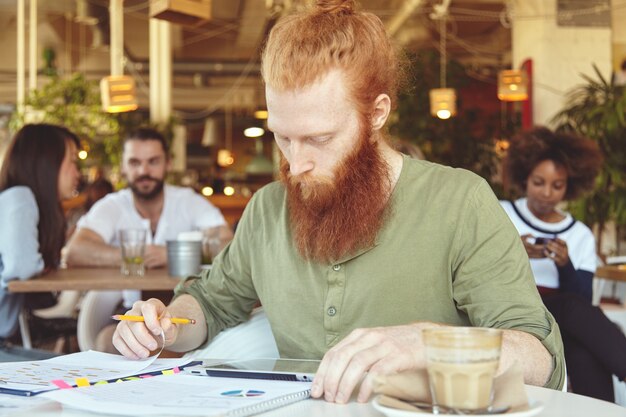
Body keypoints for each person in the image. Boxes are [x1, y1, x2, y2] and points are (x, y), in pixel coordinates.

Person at [113, 0, 565, 403]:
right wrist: (168, 322)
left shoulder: (459, 202)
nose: (297, 163)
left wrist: (426, 342)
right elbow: (210, 304)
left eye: (320, 138)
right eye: (283, 138)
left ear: (377, 114)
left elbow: (539, 359)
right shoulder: (268, 209)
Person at [64, 128, 233, 350]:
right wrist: (134, 255)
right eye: (134, 162)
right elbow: (76, 251)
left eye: (153, 161)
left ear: (168, 164)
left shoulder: (188, 201)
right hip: (128, 308)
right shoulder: (112, 205)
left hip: (189, 308)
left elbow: (228, 243)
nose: (144, 170)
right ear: (123, 167)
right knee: (107, 341)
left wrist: (170, 253)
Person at [501, 126, 626, 402]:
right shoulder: (502, 212)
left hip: (561, 321)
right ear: (525, 179)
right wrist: (513, 250)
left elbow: (583, 300)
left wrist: (565, 265)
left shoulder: (579, 233)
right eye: (538, 182)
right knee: (571, 310)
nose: (547, 193)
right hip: (513, 310)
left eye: (557, 186)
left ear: (570, 187)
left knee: (585, 354)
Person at [0, 124, 80, 359]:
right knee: (78, 375)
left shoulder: (16, 198)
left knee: (77, 370)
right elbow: (22, 267)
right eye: (73, 161)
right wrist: (37, 266)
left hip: (4, 342)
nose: (77, 173)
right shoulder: (20, 198)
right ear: (47, 163)